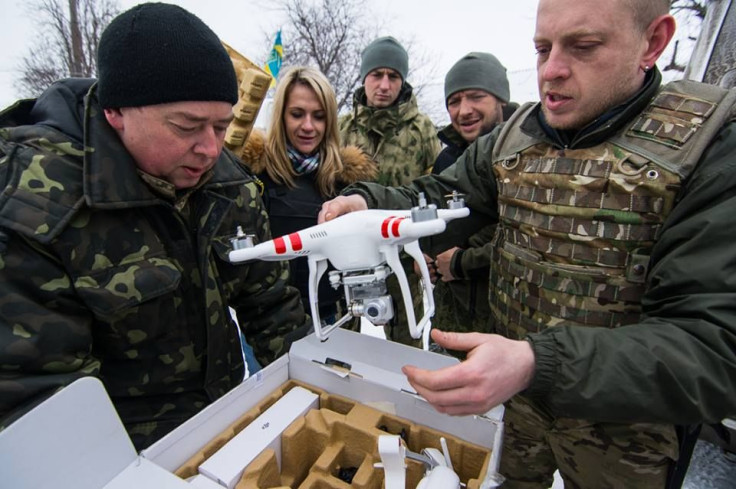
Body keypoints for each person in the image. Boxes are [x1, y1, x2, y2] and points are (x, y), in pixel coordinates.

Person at [319, 0, 736, 487]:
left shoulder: (708, 148)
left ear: (654, 41)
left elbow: (713, 347)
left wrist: (539, 362)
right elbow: (436, 199)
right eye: (542, 48)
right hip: (518, 416)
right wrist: (369, 203)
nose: (552, 71)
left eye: (583, 46)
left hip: (627, 438)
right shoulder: (512, 140)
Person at [0, 3, 309, 451]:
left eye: (222, 127)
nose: (209, 149)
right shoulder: (35, 206)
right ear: (116, 112)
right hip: (123, 455)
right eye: (187, 126)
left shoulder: (229, 185)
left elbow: (272, 306)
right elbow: (44, 400)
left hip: (225, 427)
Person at [239, 66, 376, 332]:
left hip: (336, 320)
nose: (308, 126)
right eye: (297, 114)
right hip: (271, 325)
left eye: (319, 116)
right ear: (281, 116)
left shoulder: (346, 181)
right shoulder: (254, 175)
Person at [423, 52, 511, 351]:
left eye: (476, 97)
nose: (463, 110)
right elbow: (436, 221)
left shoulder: (522, 156)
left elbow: (525, 240)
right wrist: (424, 254)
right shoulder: (447, 158)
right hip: (449, 317)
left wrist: (460, 262)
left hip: (501, 328)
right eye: (454, 101)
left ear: (501, 99)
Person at [339, 36, 440, 187]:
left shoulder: (422, 128)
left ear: (402, 82)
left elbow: (437, 187)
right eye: (377, 75)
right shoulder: (340, 128)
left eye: (393, 76)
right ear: (364, 77)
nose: (385, 85)